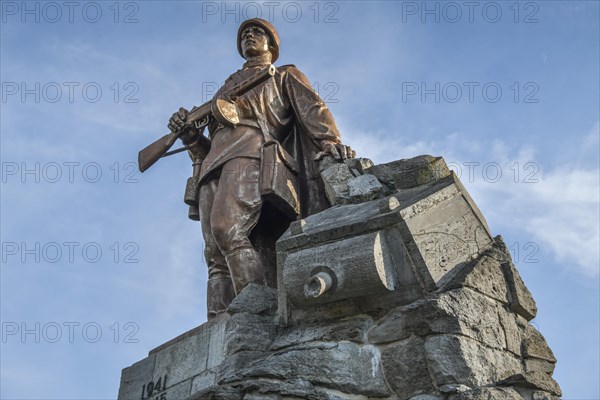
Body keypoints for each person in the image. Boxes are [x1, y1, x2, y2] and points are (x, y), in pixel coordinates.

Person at [168, 18, 354, 320]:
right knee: (214, 254)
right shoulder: (224, 87)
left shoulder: (283, 75)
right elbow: (211, 144)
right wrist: (190, 137)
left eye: (257, 32)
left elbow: (313, 109)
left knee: (227, 229)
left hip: (250, 152)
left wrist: (329, 141)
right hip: (212, 166)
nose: (249, 36)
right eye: (244, 34)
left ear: (272, 43)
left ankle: (257, 313)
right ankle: (219, 322)